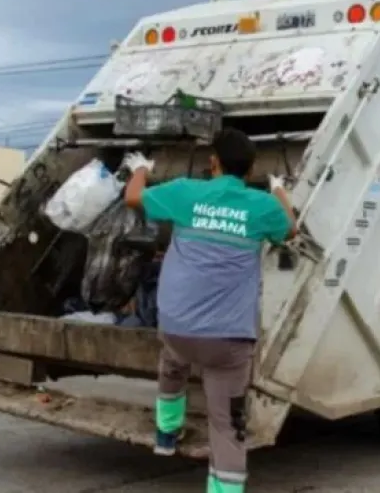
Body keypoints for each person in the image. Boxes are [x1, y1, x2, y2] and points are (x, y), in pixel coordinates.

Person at [122, 128, 296, 493]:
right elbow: (291, 229)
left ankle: (166, 435)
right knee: (226, 424)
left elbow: (133, 197)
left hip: (177, 328)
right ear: (250, 170)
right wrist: (279, 189)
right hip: (228, 340)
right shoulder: (262, 206)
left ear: (213, 162)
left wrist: (141, 169)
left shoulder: (185, 191)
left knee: (172, 364)